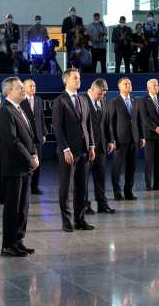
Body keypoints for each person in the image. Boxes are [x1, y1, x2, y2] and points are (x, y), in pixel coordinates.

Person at [0, 77, 39, 257]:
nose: (23, 90)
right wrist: (30, 159)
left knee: (23, 207)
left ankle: (18, 240)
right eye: (19, 88)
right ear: (8, 92)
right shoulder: (5, 112)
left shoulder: (20, 109)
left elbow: (30, 135)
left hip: (25, 166)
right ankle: (8, 244)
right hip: (14, 167)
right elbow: (12, 141)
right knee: (12, 207)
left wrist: (34, 153)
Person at [52, 68, 96, 232]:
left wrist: (91, 145)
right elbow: (57, 128)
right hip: (68, 152)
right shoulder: (60, 101)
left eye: (79, 78)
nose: (78, 80)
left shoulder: (83, 99)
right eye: (75, 78)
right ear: (66, 80)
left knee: (81, 187)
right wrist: (65, 149)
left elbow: (89, 124)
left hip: (84, 151)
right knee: (66, 187)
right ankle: (66, 221)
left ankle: (80, 219)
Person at [80, 78, 116, 214]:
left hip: (101, 147)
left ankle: (102, 204)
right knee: (83, 179)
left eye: (104, 94)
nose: (102, 96)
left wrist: (111, 140)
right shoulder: (82, 100)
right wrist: (89, 145)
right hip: (86, 147)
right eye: (100, 93)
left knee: (100, 177)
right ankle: (84, 206)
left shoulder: (103, 100)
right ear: (92, 89)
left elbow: (107, 123)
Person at [109, 77, 145, 201]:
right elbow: (111, 123)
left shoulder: (135, 101)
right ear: (119, 87)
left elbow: (139, 120)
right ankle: (117, 193)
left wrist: (141, 136)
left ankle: (128, 192)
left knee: (131, 167)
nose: (128, 85)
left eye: (129, 83)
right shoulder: (114, 102)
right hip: (120, 140)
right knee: (117, 168)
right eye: (125, 84)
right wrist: (112, 139)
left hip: (134, 140)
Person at [139, 79, 159, 191]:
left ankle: (157, 184)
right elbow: (145, 118)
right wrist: (155, 128)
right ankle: (148, 184)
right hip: (150, 136)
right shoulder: (143, 100)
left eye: (158, 85)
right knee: (149, 161)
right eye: (154, 85)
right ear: (149, 88)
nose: (157, 87)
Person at [20, 79, 48, 195]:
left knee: (38, 162)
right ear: (24, 88)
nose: (33, 88)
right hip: (26, 136)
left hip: (38, 136)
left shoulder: (38, 100)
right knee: (26, 162)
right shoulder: (20, 101)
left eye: (34, 85)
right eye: (30, 86)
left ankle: (34, 187)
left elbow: (41, 117)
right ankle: (24, 187)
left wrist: (44, 133)